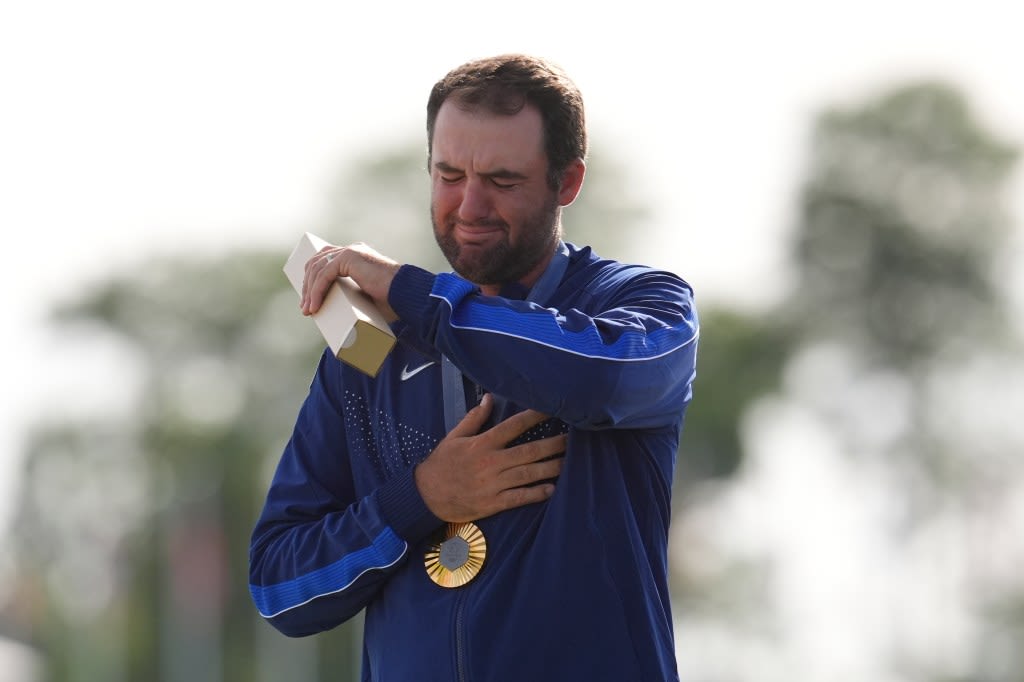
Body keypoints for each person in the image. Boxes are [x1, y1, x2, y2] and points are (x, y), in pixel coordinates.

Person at [249, 53, 699, 681]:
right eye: (449, 174)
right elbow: (278, 588)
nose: (470, 206)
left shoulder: (639, 306)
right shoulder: (369, 352)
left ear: (566, 182)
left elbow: (602, 378)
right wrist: (419, 499)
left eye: (503, 180)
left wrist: (417, 297)